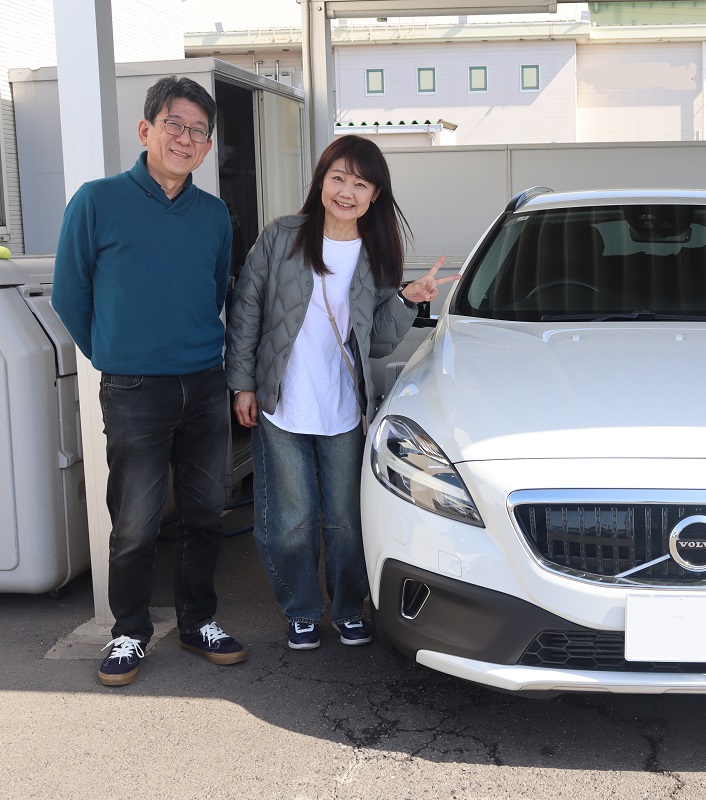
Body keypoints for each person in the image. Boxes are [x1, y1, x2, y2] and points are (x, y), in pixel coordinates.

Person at [225, 135, 457, 650]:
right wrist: (241, 384)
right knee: (291, 520)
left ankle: (350, 608)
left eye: (360, 183)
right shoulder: (281, 236)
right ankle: (302, 610)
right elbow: (246, 310)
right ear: (321, 181)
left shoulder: (376, 253)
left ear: (375, 195)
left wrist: (408, 299)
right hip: (281, 403)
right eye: (338, 178)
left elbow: (377, 342)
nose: (346, 192)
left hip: (345, 409)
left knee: (347, 521)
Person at [53, 76, 247, 686]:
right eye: (175, 125)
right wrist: (115, 354)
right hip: (134, 388)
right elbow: (68, 295)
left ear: (207, 146)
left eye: (198, 131)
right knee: (135, 521)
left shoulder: (214, 215)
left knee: (206, 511)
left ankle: (198, 621)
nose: (186, 139)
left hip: (205, 383)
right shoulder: (96, 201)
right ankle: (130, 631)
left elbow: (214, 292)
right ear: (146, 129)